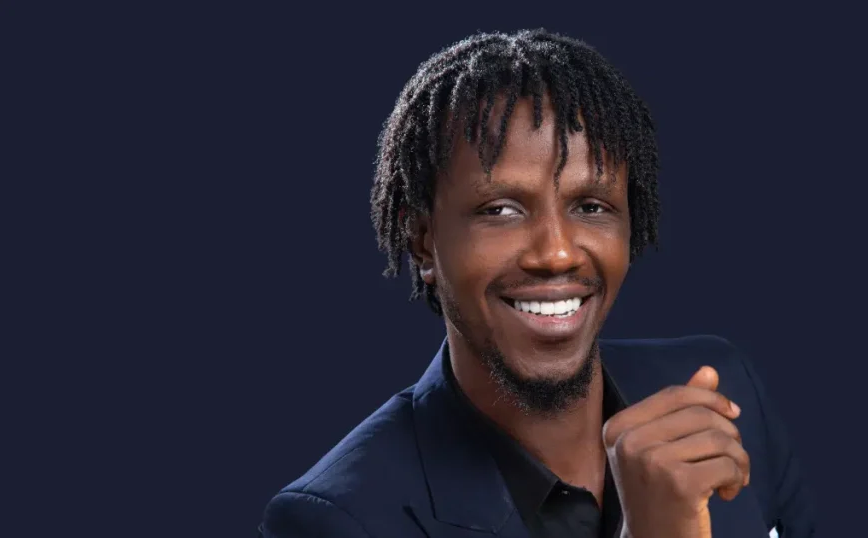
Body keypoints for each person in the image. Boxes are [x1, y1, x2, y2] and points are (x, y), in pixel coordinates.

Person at [258, 29, 815, 538]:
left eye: (591, 206)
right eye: (500, 210)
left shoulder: (723, 392)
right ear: (423, 242)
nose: (557, 253)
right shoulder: (334, 521)